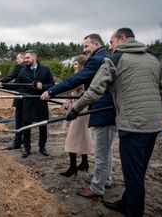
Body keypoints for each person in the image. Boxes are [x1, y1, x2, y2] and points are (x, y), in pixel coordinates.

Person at [67, 28, 162, 216]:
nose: (110, 46)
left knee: (133, 175)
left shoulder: (115, 59)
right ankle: (125, 201)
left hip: (133, 126)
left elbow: (94, 91)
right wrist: (151, 107)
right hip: (154, 124)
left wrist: (75, 109)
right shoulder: (153, 59)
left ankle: (133, 211)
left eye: (112, 42)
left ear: (122, 39)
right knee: (138, 170)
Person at [41, 34, 116, 198]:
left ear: (96, 44)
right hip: (108, 109)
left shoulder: (97, 60)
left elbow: (75, 81)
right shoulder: (106, 56)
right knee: (106, 150)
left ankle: (97, 188)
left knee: (102, 151)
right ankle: (106, 179)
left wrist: (51, 91)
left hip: (102, 109)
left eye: (86, 46)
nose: (84, 50)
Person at [14, 50, 55, 158]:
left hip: (41, 102)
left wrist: (43, 87)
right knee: (26, 126)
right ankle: (27, 148)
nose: (25, 60)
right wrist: (1, 85)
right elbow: (15, 85)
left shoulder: (45, 70)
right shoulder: (23, 72)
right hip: (28, 102)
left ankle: (42, 147)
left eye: (27, 58)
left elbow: (52, 84)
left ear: (34, 57)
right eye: (25, 58)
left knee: (42, 126)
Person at [60, 54, 94, 177]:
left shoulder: (81, 78)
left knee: (72, 138)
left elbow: (67, 89)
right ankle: (84, 163)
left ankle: (73, 167)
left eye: (75, 64)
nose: (73, 66)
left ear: (81, 65)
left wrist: (52, 91)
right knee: (82, 137)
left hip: (80, 110)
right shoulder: (84, 77)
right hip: (81, 109)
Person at [0, 53, 26, 150]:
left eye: (17, 58)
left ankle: (17, 142)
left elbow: (11, 78)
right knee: (26, 121)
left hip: (20, 97)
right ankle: (23, 140)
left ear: (22, 58)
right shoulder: (31, 68)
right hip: (29, 98)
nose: (16, 61)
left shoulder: (20, 67)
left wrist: (0, 83)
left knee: (19, 120)